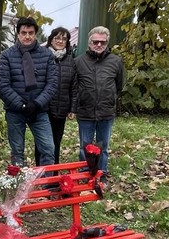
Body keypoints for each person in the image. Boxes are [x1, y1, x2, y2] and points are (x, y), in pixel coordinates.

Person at [0, 16, 57, 167]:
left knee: (48, 149)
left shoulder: (47, 55)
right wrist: (21, 105)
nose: (27, 36)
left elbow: (52, 83)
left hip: (39, 110)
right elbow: (3, 85)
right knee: (17, 151)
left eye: (31, 32)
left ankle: (45, 185)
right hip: (15, 111)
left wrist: (37, 104)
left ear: (35, 33)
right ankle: (20, 186)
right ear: (18, 34)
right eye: (24, 32)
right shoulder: (7, 55)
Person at [73, 26, 124, 178]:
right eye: (96, 42)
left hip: (106, 111)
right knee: (85, 146)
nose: (99, 45)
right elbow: (75, 87)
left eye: (103, 42)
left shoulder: (116, 61)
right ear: (89, 43)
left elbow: (119, 85)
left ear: (107, 43)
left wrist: (110, 100)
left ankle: (101, 174)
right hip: (85, 111)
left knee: (104, 146)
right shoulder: (79, 62)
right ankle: (85, 173)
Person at [35, 27, 77, 165]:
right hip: (44, 109)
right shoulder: (42, 56)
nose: (60, 41)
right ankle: (40, 173)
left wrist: (72, 109)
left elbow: (74, 87)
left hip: (61, 108)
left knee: (56, 143)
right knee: (42, 143)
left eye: (64, 39)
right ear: (51, 39)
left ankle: (53, 176)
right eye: (57, 38)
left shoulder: (71, 61)